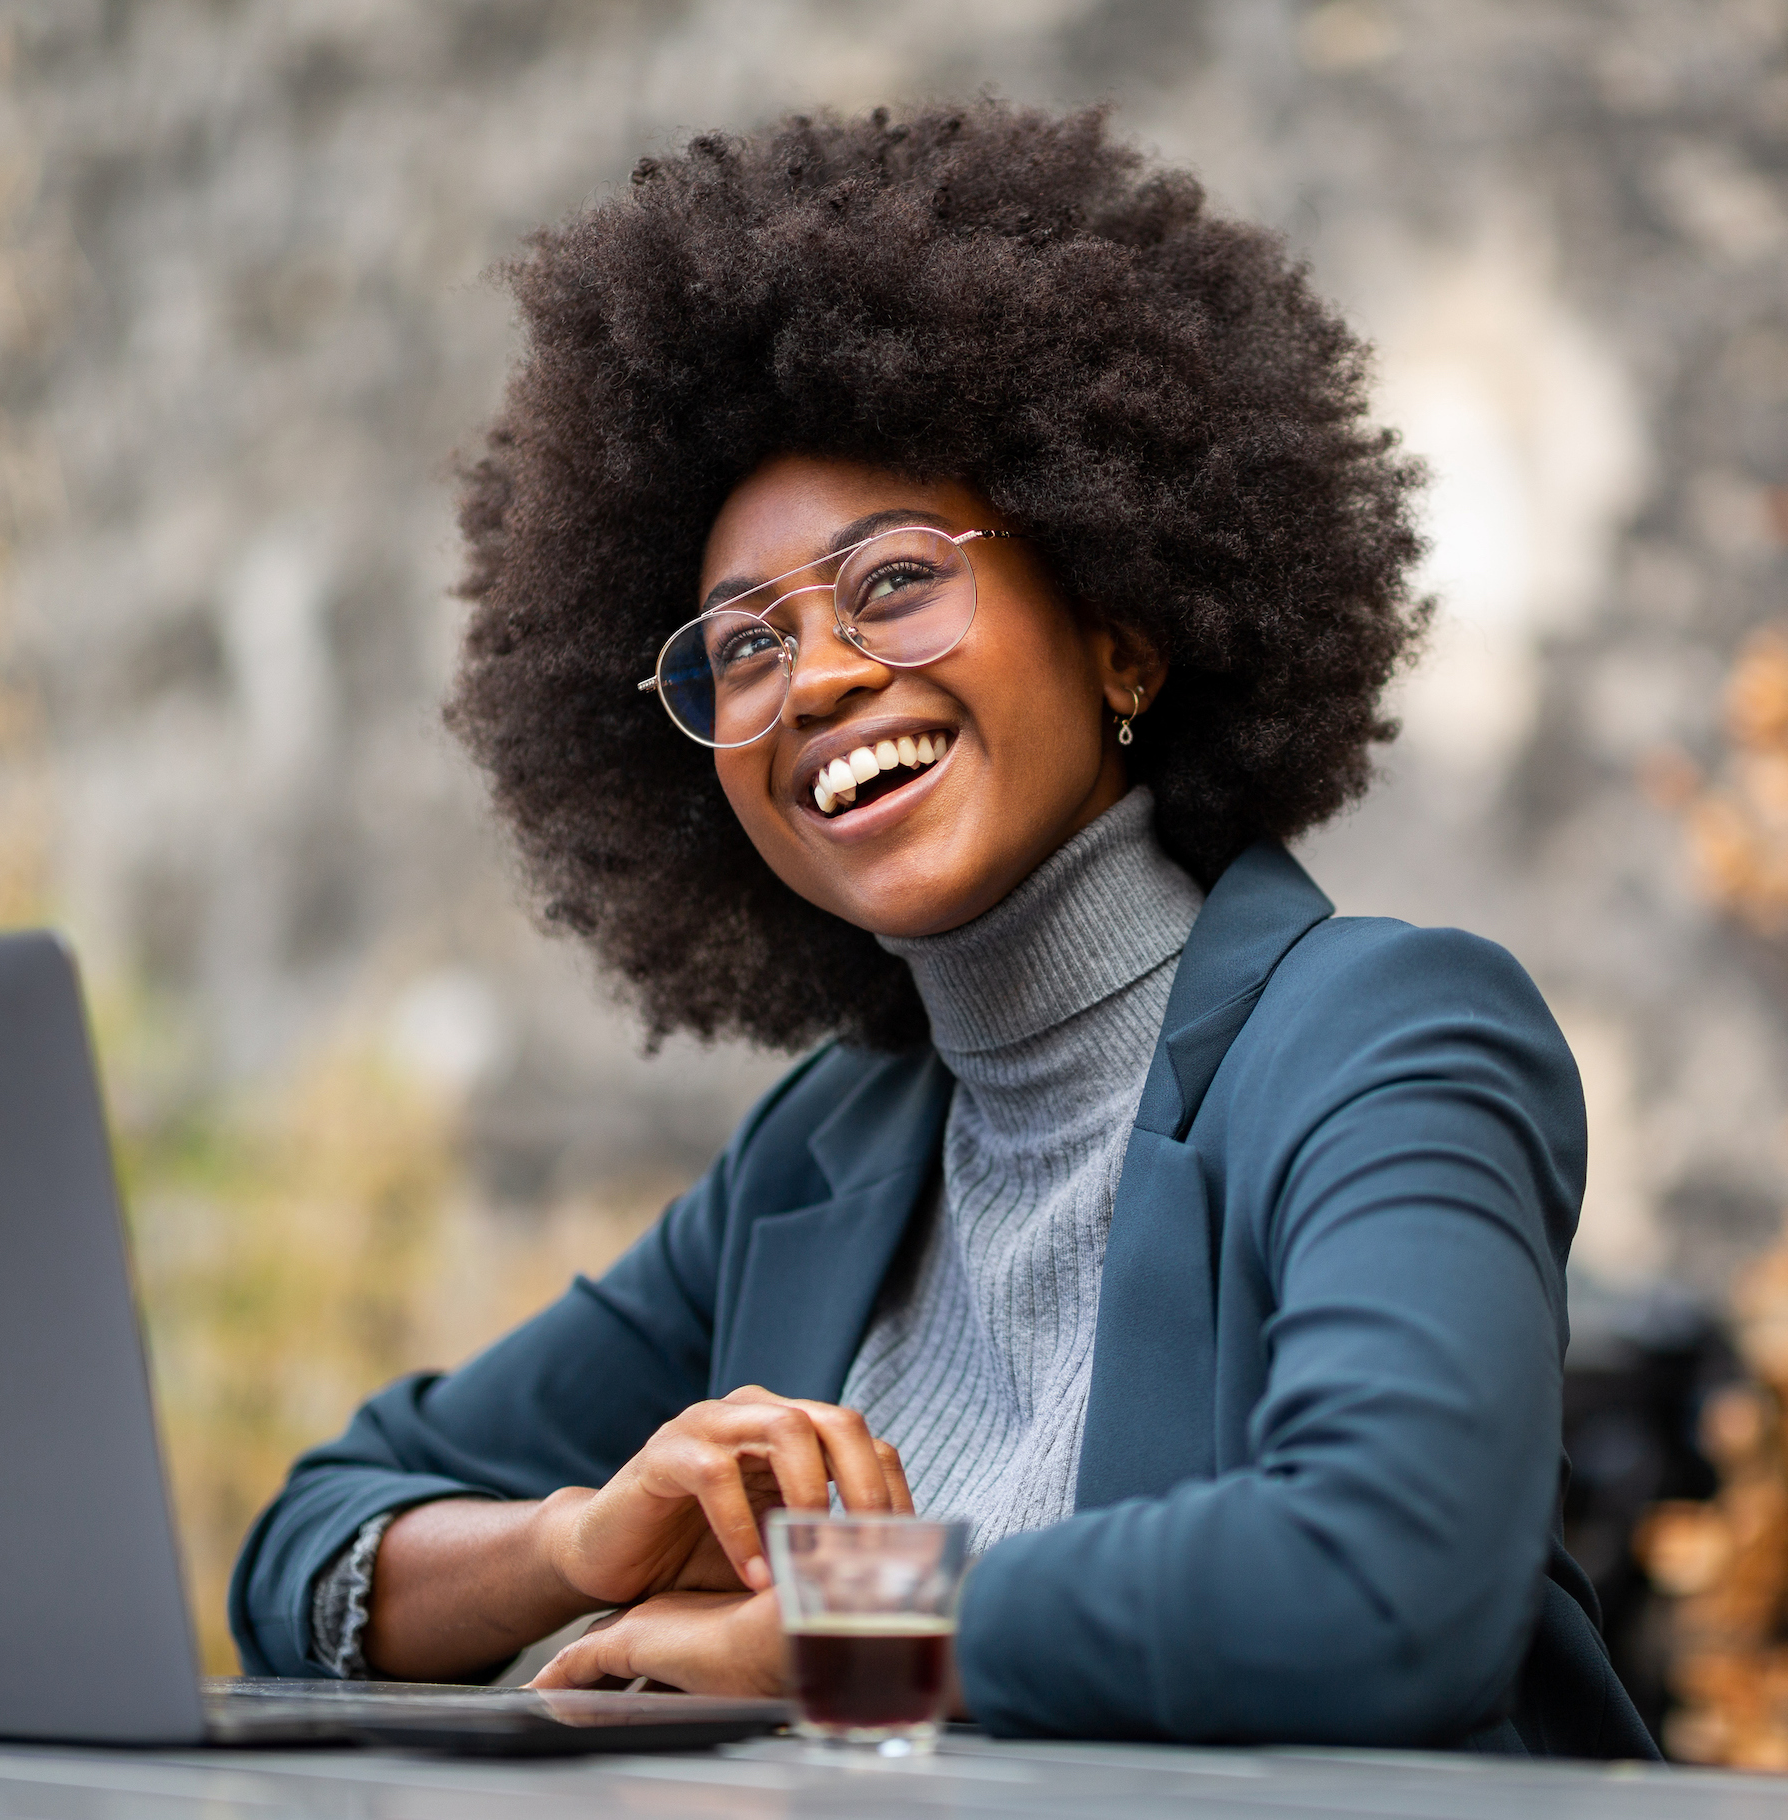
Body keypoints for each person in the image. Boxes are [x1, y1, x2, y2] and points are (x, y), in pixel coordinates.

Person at [230, 102, 1654, 1757]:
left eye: (897, 580)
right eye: (742, 645)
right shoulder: (824, 1158)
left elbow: (1386, 1581)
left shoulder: (1383, 1039)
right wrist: (574, 1542)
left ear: (1122, 632)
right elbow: (305, 1543)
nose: (815, 677)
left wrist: (827, 1637)